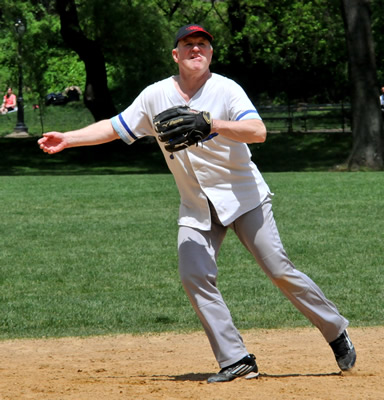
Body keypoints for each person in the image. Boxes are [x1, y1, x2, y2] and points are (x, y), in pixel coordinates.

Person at [38, 24, 356, 383]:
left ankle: (334, 330)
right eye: (188, 44)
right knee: (194, 275)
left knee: (279, 270)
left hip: (244, 197)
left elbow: (258, 131)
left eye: (202, 44)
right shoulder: (155, 95)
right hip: (196, 205)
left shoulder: (226, 89)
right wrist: (69, 137)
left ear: (210, 53)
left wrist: (211, 124)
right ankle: (236, 358)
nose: (196, 49)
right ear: (176, 54)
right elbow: (115, 127)